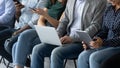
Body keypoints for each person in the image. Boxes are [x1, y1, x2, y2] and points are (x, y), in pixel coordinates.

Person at [30, 0, 107, 68]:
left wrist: (72, 38)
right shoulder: (71, 1)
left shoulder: (99, 2)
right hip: (66, 37)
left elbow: (96, 25)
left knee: (57, 52)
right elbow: (65, 20)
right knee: (37, 49)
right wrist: (58, 34)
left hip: (82, 42)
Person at [12, 0, 67, 68]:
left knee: (16, 45)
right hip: (44, 29)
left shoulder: (67, 5)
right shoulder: (51, 2)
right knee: (24, 35)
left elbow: (60, 26)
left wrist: (46, 16)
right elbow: (40, 20)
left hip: (55, 34)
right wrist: (44, 30)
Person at [77, 0, 120, 68]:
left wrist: (103, 43)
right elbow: (104, 31)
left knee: (95, 58)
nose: (109, 0)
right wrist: (93, 41)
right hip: (107, 45)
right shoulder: (109, 9)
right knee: (83, 56)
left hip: (117, 47)